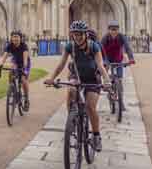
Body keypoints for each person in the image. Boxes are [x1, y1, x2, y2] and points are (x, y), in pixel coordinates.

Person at [44, 21, 110, 152]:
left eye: (79, 34)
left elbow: (101, 66)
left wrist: (107, 80)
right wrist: (52, 78)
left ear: (85, 34)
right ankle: (72, 119)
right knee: (71, 90)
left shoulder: (94, 47)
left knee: (90, 107)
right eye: (74, 34)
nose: (77, 37)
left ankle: (96, 136)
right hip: (77, 76)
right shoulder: (70, 46)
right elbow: (61, 64)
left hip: (92, 79)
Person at [0, 30, 31, 111]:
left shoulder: (24, 46)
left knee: (23, 80)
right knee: (11, 72)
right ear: (11, 38)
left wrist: (24, 67)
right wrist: (1, 64)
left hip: (24, 62)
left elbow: (25, 58)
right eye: (13, 37)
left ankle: (26, 99)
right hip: (15, 61)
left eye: (17, 37)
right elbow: (5, 55)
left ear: (20, 38)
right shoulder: (10, 45)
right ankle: (12, 89)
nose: (15, 39)